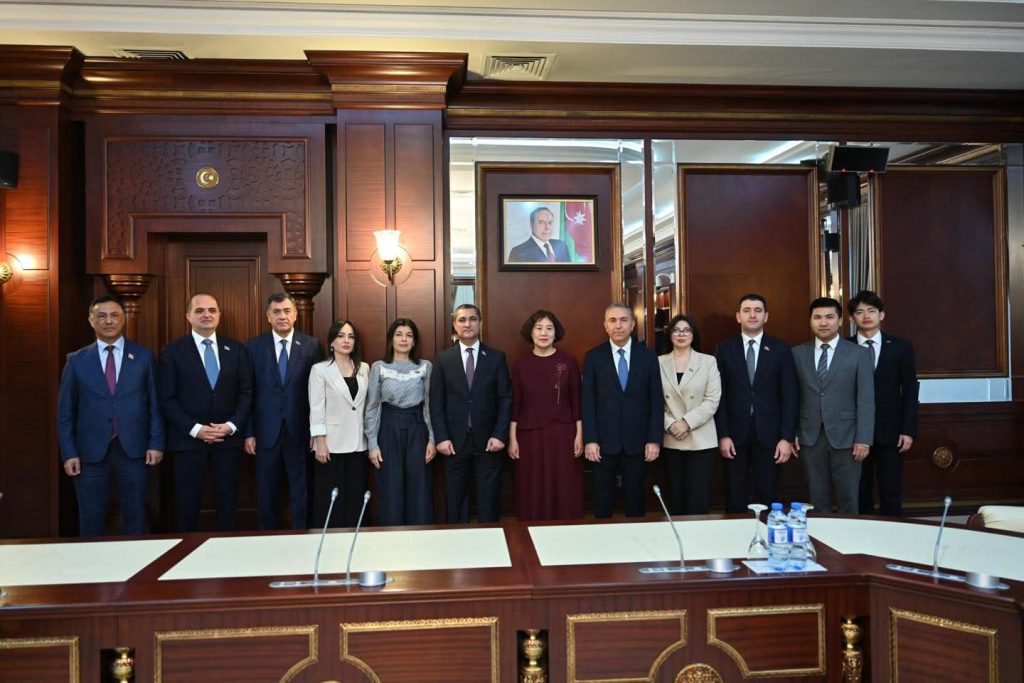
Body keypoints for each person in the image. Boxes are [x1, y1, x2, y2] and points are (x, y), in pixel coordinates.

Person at [56, 295, 165, 536]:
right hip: (89, 453)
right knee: (91, 518)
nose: (108, 321)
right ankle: (93, 560)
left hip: (135, 451)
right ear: (91, 320)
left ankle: (136, 560)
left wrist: (156, 443)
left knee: (135, 516)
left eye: (114, 315)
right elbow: (65, 412)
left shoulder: (143, 356)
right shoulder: (76, 360)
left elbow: (154, 404)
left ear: (123, 319)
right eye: (102, 316)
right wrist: (69, 453)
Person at [159, 292, 252, 532]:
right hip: (188, 443)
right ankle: (187, 552)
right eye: (199, 310)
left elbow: (246, 392)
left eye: (212, 310)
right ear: (188, 316)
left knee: (228, 504)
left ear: (219, 315)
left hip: (227, 441)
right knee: (186, 506)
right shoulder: (172, 351)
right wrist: (196, 429)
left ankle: (225, 551)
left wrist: (231, 426)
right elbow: (167, 399)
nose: (206, 315)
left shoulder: (236, 349)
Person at [714, 293, 799, 512]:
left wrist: (787, 438)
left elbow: (790, 396)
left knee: (768, 494)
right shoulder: (725, 349)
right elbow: (719, 396)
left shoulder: (780, 349)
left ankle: (766, 532)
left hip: (770, 435)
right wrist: (723, 434)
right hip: (734, 435)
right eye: (747, 310)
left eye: (758, 310)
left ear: (766, 316)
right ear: (738, 316)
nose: (752, 315)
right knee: (734, 495)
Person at [245, 293, 323, 530]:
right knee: (266, 491)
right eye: (276, 312)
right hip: (265, 432)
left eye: (287, 311)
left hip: (300, 432)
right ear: (268, 316)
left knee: (301, 489)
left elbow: (318, 393)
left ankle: (302, 535)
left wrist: (317, 432)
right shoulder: (253, 347)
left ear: (295, 315)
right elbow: (248, 393)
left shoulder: (311, 345)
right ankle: (266, 538)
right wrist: (249, 432)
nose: (282, 316)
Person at [431, 304, 513, 523]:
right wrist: (441, 437)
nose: (467, 324)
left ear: (480, 323)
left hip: (489, 440)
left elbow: (505, 398)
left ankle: (490, 539)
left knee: (489, 497)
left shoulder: (496, 357)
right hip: (454, 441)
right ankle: (458, 540)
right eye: (462, 320)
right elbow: (436, 402)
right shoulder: (443, 359)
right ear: (454, 325)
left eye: (472, 319)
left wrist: (500, 435)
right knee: (455, 498)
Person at [792, 297, 874, 514]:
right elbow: (792, 397)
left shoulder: (858, 353)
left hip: (848, 436)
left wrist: (864, 439)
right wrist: (792, 432)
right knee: (817, 497)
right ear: (810, 321)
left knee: (848, 497)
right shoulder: (797, 354)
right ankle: (821, 535)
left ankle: (849, 535)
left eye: (829, 317)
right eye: (817, 317)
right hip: (809, 436)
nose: (823, 322)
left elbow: (866, 399)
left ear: (840, 321)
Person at [581, 303, 663, 518]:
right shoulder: (593, 357)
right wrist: (590, 439)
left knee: (636, 499)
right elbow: (587, 403)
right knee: (602, 500)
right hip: (603, 442)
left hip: (638, 441)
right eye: (613, 320)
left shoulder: (648, 356)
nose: (618, 325)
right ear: (605, 326)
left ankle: (636, 538)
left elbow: (656, 400)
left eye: (623, 320)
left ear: (632, 324)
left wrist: (654, 439)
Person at [848, 290, 918, 516]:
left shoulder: (901, 347)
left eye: (871, 311)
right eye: (860, 312)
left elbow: (910, 391)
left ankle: (893, 531)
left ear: (882, 314)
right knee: (860, 490)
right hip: (855, 432)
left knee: (891, 490)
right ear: (851, 318)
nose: (866, 316)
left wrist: (908, 430)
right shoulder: (845, 347)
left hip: (891, 431)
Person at [508, 310, 583, 520]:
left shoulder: (568, 361)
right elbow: (515, 403)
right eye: (539, 328)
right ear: (530, 332)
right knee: (532, 483)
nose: (544, 333)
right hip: (529, 435)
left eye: (549, 328)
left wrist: (580, 435)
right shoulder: (521, 363)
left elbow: (577, 401)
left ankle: (566, 529)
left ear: (555, 333)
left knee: (564, 482)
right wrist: (512, 438)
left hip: (563, 433)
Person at [365, 318, 435, 526]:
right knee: (390, 484)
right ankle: (391, 536)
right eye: (399, 334)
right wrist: (372, 443)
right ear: (391, 339)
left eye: (409, 335)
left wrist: (432, 439)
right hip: (388, 427)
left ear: (414, 341)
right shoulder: (379, 367)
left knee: (419, 484)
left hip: (417, 427)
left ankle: (419, 535)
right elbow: (372, 406)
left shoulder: (425, 367)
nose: (404, 339)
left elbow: (430, 406)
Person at [308, 320, 369, 528]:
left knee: (355, 495)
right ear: (331, 341)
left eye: (350, 336)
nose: (346, 340)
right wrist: (320, 443)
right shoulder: (320, 369)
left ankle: (355, 536)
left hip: (358, 442)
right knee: (330, 497)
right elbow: (316, 408)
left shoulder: (364, 368)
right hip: (330, 444)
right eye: (341, 336)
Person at [658, 315, 721, 515]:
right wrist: (670, 424)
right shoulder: (658, 362)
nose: (681, 334)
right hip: (671, 437)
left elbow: (712, 400)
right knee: (674, 496)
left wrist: (686, 422)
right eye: (676, 330)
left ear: (693, 335)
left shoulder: (708, 362)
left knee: (697, 498)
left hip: (701, 439)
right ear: (670, 335)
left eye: (686, 330)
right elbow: (652, 401)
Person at [507, 207, 571, 263]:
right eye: (541, 222)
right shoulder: (518, 252)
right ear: (531, 224)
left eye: (550, 223)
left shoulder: (561, 246)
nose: (547, 228)